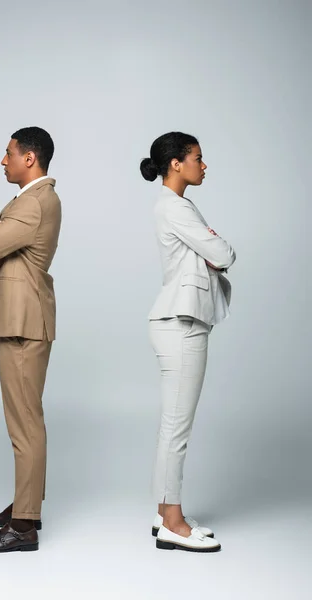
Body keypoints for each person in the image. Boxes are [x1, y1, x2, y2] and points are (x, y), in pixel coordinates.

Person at [140, 132, 236, 552]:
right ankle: (172, 524)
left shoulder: (178, 206)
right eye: (198, 157)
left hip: (180, 320)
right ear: (176, 164)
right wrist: (213, 245)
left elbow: (214, 253)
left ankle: (165, 512)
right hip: (181, 324)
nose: (204, 164)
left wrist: (211, 247)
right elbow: (224, 253)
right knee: (176, 428)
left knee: (173, 426)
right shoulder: (174, 208)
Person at [0, 126, 62, 553]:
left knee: (25, 424)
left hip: (24, 324)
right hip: (19, 320)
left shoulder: (33, 204)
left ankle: (24, 525)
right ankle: (24, 506)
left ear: (30, 158)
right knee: (24, 421)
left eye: (8, 154)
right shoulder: (32, 202)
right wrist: (1, 233)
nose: (2, 161)